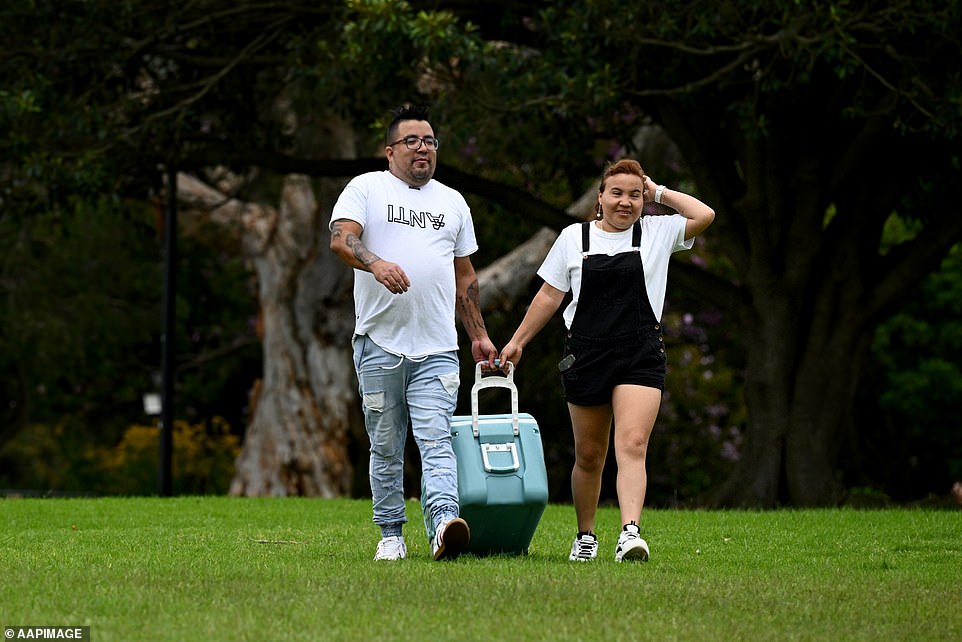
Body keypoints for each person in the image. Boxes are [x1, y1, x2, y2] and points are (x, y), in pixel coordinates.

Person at [499, 159, 714, 563]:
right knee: (590, 454)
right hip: (587, 355)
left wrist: (659, 193)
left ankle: (630, 533)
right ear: (600, 197)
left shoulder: (657, 231)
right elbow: (549, 296)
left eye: (634, 195)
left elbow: (704, 214)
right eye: (616, 193)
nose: (625, 202)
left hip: (640, 355)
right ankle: (586, 535)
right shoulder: (573, 238)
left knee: (632, 443)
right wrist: (517, 342)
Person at [329, 103, 498, 561]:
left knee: (436, 438)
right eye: (412, 141)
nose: (422, 148)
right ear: (390, 151)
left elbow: (465, 277)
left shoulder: (453, 202)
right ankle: (390, 534)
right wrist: (376, 263)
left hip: (438, 346)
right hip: (380, 342)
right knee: (385, 444)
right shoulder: (366, 188)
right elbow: (342, 238)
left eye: (429, 141)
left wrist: (478, 335)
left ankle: (444, 522)